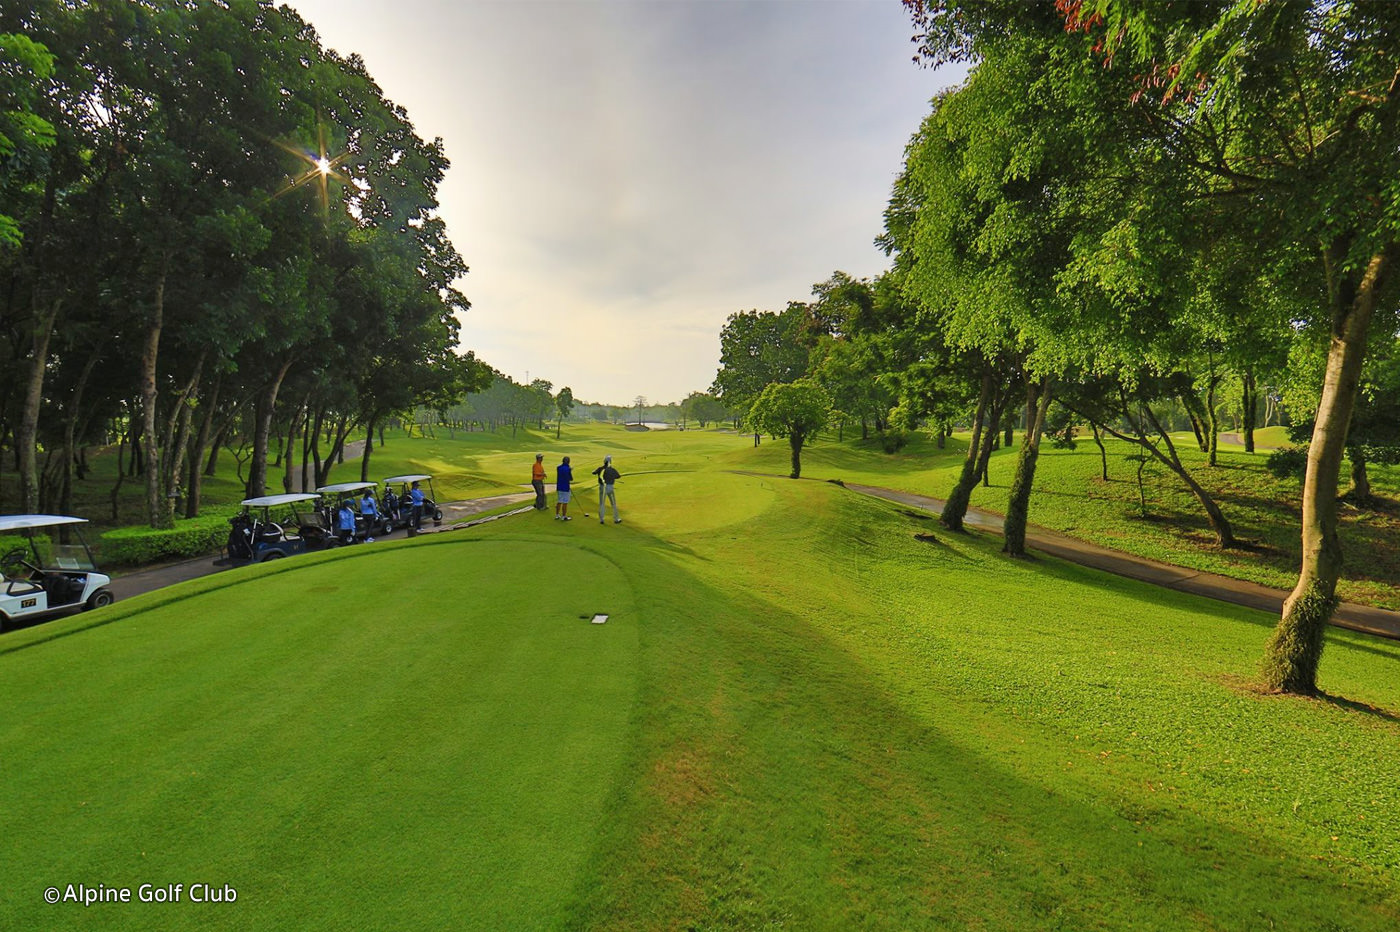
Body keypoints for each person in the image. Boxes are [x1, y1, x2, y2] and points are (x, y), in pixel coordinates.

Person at [592, 455, 622, 525]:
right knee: (613, 503)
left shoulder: (600, 469)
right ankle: (616, 519)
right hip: (610, 487)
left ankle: (601, 519)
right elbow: (618, 476)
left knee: (602, 503)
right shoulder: (612, 469)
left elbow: (593, 472)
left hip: (602, 488)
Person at [554, 456, 574, 521]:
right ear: (568, 462)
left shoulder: (558, 468)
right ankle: (564, 516)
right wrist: (570, 470)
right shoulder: (567, 469)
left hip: (559, 487)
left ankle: (557, 515)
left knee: (559, 501)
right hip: (565, 487)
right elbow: (571, 479)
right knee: (565, 502)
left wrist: (569, 469)